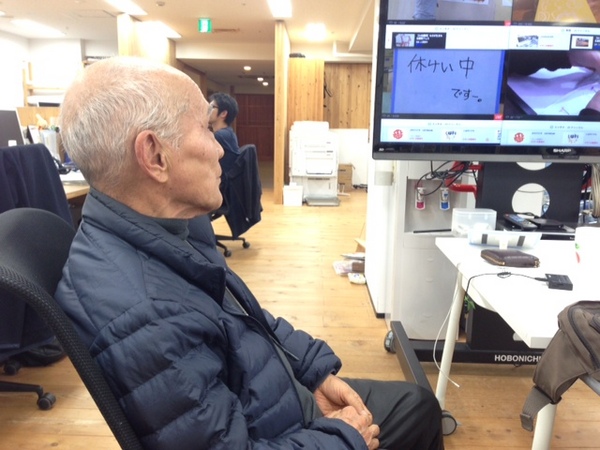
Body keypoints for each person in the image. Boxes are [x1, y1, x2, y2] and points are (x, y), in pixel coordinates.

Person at [55, 56, 444, 450]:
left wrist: (313, 373)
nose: (221, 150)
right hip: (272, 428)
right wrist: (345, 439)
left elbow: (246, 318)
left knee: (417, 404)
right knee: (418, 409)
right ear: (155, 155)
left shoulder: (172, 227)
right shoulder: (144, 315)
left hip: (267, 390)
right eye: (207, 129)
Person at [208, 92, 241, 175]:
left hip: (221, 181)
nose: (207, 110)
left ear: (223, 113)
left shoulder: (220, 136)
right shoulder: (227, 132)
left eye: (212, 107)